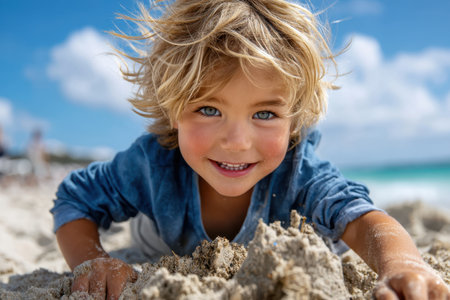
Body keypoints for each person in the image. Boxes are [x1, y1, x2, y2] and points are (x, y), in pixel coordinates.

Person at [51, 0, 449, 299]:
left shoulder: (299, 172)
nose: (238, 141)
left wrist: (403, 264)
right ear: (174, 110)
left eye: (265, 113)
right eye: (209, 109)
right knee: (142, 230)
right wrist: (93, 258)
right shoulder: (152, 164)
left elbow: (365, 219)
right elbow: (75, 198)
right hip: (156, 237)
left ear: (294, 119)